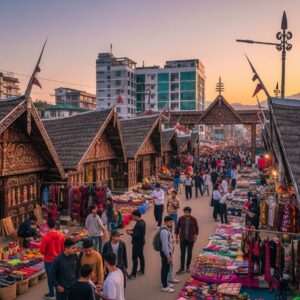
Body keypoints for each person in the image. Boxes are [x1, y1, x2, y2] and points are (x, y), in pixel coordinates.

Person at [40, 218, 65, 300]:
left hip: (49, 260)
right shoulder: (61, 235)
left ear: (47, 226)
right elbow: (63, 248)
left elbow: (42, 251)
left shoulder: (46, 237)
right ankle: (59, 293)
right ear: (55, 225)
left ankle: (51, 293)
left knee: (50, 278)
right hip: (59, 259)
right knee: (59, 276)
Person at [176, 207, 199, 274]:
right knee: (182, 254)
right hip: (183, 238)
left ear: (189, 212)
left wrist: (196, 236)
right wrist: (176, 237)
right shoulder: (181, 218)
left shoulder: (193, 219)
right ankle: (182, 267)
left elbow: (197, 228)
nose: (186, 213)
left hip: (190, 239)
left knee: (189, 253)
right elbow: (177, 228)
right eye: (185, 212)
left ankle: (188, 267)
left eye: (187, 212)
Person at [126, 210, 146, 279]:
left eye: (133, 216)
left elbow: (136, 235)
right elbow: (136, 230)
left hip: (137, 243)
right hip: (141, 242)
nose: (132, 217)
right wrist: (131, 229)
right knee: (141, 256)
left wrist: (130, 233)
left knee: (134, 258)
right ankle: (142, 270)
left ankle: (133, 274)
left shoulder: (139, 224)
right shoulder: (142, 222)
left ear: (136, 216)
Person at [160, 216, 175, 293]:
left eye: (172, 222)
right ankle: (164, 286)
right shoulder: (164, 232)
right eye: (170, 222)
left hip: (168, 253)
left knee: (167, 269)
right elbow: (165, 246)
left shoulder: (167, 230)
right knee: (165, 269)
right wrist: (168, 256)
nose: (171, 223)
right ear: (166, 222)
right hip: (166, 253)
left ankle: (166, 283)